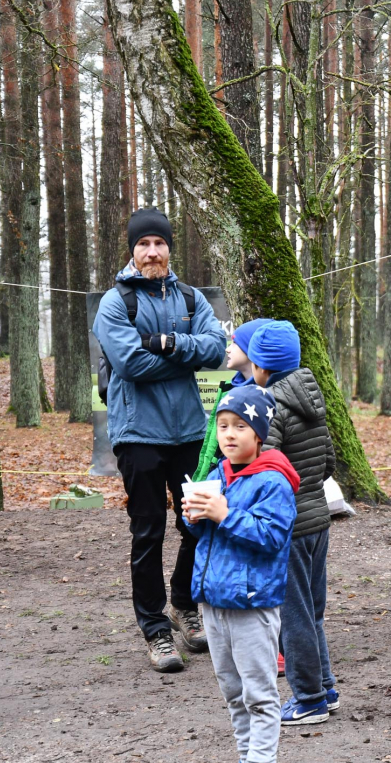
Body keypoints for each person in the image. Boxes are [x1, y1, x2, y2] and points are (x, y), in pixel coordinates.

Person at [92, 207, 226, 671]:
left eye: (159, 243)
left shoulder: (190, 298)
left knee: (198, 524)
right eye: (144, 244)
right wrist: (185, 353)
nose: (152, 251)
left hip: (190, 431)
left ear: (170, 247)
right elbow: (130, 365)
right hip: (138, 434)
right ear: (133, 249)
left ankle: (183, 605)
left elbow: (216, 350)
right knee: (147, 531)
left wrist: (168, 344)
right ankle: (155, 630)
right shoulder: (116, 303)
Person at [182, 385, 298, 763]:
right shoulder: (218, 473)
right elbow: (206, 535)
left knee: (259, 697)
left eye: (239, 426)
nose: (228, 434)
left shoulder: (274, 481)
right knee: (233, 694)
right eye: (223, 425)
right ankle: (246, 756)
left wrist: (224, 514)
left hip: (252, 605)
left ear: (259, 434)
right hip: (213, 602)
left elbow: (272, 536)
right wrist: (195, 517)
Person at [247, 321, 339, 725]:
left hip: (289, 528)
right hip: (318, 521)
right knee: (311, 612)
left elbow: (264, 471)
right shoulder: (312, 398)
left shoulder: (270, 407)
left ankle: (308, 699)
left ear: (263, 367)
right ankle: (326, 688)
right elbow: (329, 463)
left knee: (293, 617)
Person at [192, 318, 272, 483]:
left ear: (251, 349)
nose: (228, 349)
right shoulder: (230, 390)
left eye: (235, 343)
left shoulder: (267, 399)